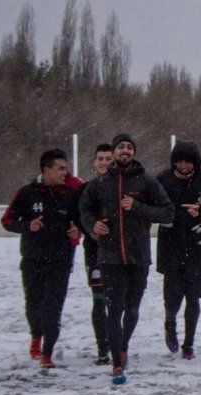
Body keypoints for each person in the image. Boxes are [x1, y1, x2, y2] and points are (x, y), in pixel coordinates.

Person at [79, 133, 174, 384]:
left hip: (138, 256)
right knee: (114, 310)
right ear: (114, 152)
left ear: (134, 152)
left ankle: (123, 346)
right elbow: (84, 209)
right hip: (109, 257)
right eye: (120, 147)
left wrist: (138, 207)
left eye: (129, 147)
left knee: (131, 310)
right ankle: (117, 364)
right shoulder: (100, 183)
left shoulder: (146, 181)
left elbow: (167, 212)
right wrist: (92, 225)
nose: (125, 151)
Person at [1, 149, 81, 369]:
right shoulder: (27, 193)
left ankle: (47, 353)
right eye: (61, 168)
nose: (65, 173)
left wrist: (77, 229)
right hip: (33, 260)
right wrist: (27, 226)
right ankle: (36, 335)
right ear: (46, 170)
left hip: (61, 261)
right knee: (33, 306)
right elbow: (6, 220)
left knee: (53, 307)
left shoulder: (70, 194)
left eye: (66, 168)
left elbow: (81, 219)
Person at [156, 140, 201, 360]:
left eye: (188, 161)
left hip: (199, 246)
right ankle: (170, 323)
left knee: (193, 298)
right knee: (173, 298)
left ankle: (189, 344)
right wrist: (163, 217)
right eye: (179, 161)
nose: (184, 166)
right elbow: (150, 207)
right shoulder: (162, 180)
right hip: (171, 246)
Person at [80, 143, 113, 365]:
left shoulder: (125, 186)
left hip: (120, 252)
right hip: (95, 253)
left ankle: (119, 344)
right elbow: (80, 216)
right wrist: (89, 229)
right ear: (94, 162)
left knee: (118, 302)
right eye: (100, 159)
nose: (104, 163)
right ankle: (102, 348)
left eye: (108, 159)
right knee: (99, 300)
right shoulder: (86, 188)